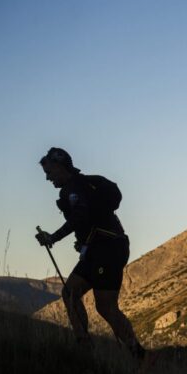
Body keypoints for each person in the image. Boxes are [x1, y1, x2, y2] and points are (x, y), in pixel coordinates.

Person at [34, 147, 147, 361]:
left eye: (49, 172)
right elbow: (87, 219)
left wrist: (53, 238)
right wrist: (82, 242)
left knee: (104, 306)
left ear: (59, 167)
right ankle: (86, 347)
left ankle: (137, 355)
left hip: (106, 250)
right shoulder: (80, 186)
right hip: (103, 248)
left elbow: (79, 217)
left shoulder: (73, 189)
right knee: (72, 294)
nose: (48, 178)